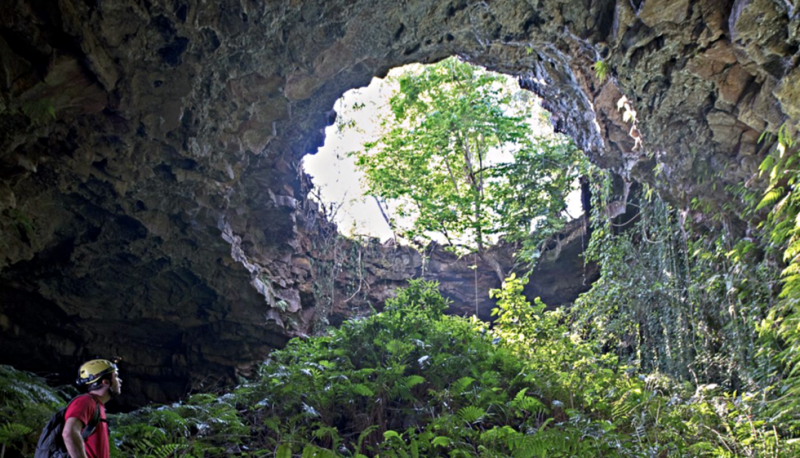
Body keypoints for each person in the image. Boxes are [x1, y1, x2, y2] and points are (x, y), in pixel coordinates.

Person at [61, 359, 122, 458]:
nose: (120, 380)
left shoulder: (97, 406)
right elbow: (69, 433)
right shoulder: (86, 402)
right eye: (116, 376)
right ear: (106, 382)